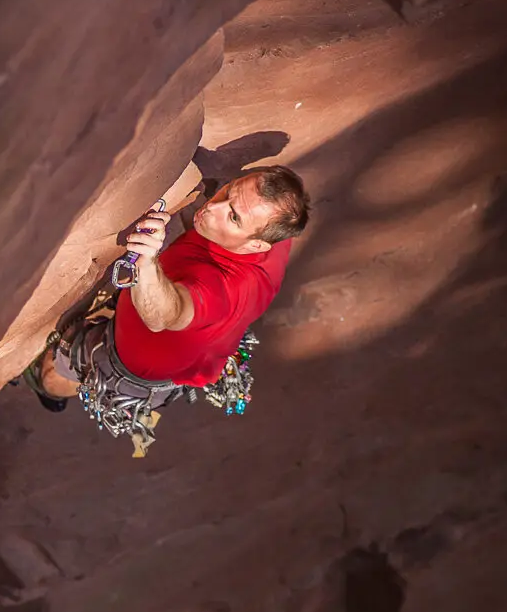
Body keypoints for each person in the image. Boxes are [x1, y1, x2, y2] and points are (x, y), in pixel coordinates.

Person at [23, 165, 310, 454]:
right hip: (193, 346)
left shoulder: (220, 289)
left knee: (52, 372)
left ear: (255, 245)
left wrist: (146, 261)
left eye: (233, 217)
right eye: (228, 192)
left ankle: (47, 392)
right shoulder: (273, 229)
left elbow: (162, 316)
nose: (213, 207)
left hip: (130, 366)